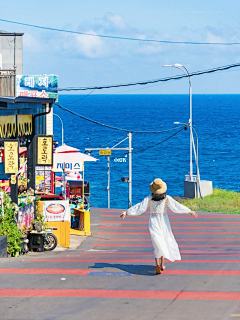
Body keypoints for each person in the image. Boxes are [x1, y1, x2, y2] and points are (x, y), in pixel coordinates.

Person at [120, 178, 198, 274]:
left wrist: (127, 212)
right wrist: (188, 211)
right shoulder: (166, 198)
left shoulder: (149, 198)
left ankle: (157, 264)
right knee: (163, 241)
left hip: (154, 221)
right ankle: (162, 265)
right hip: (164, 221)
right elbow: (176, 206)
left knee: (156, 242)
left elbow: (140, 208)